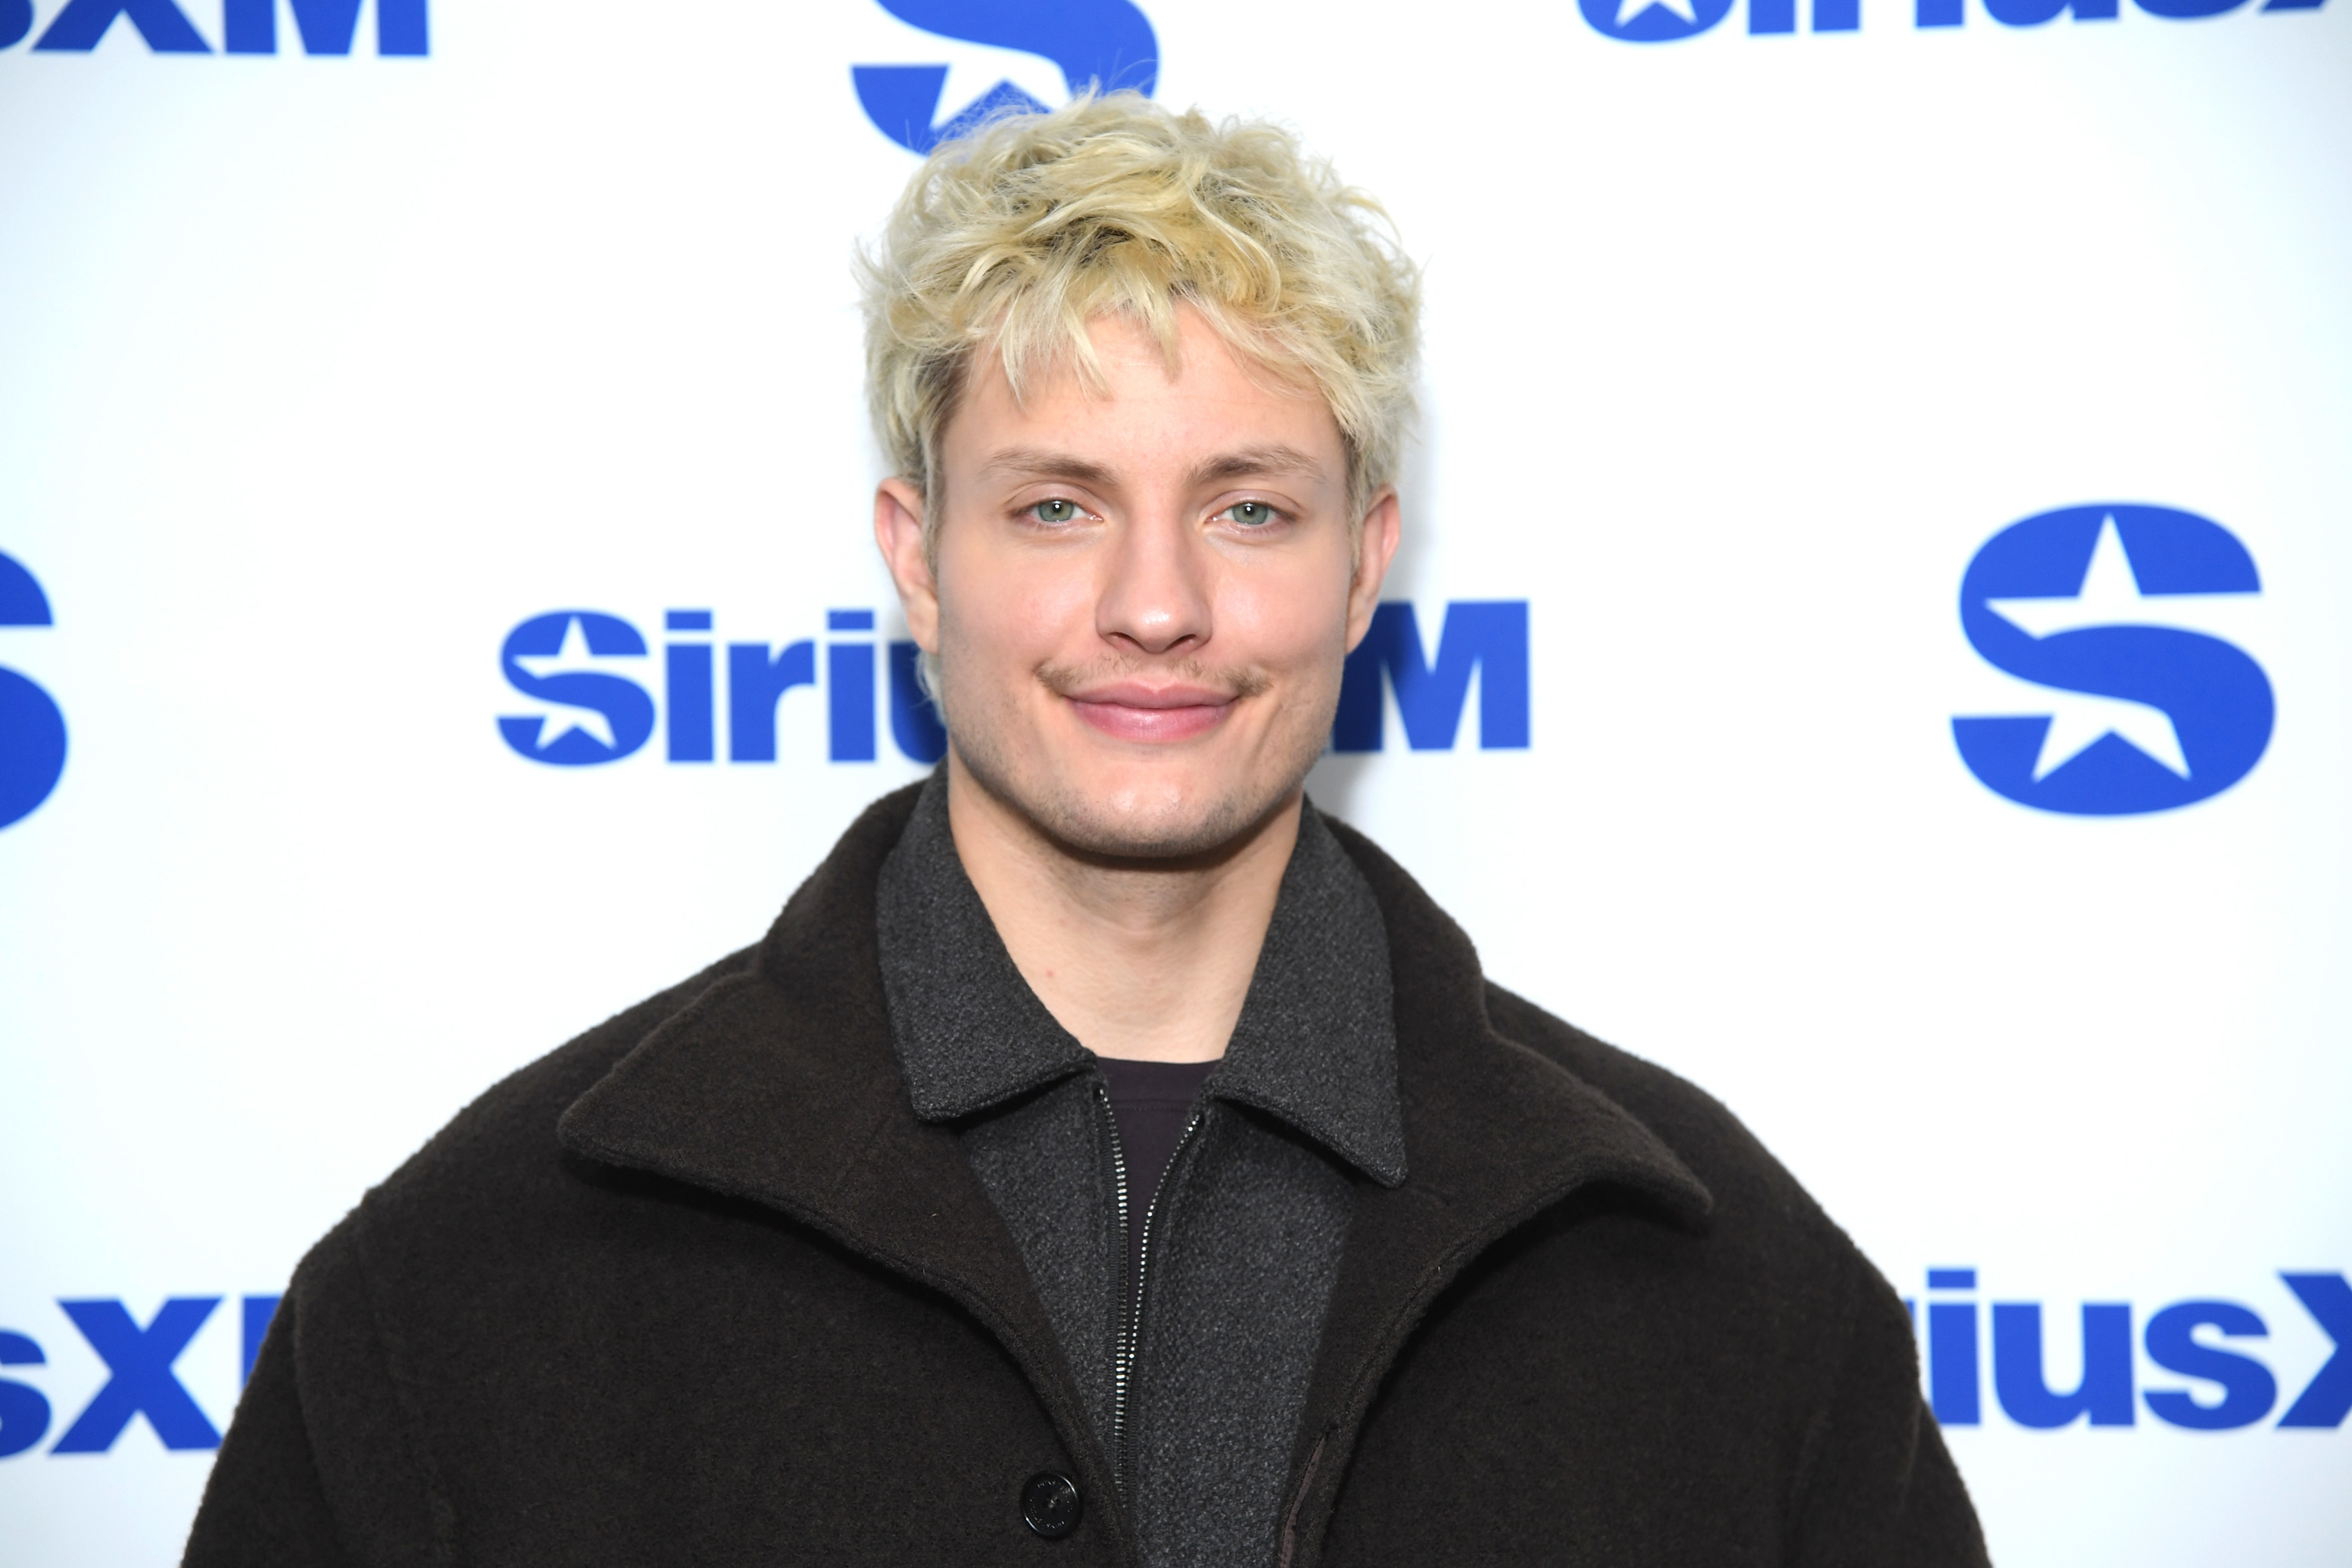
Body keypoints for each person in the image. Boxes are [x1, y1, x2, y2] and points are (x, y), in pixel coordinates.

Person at [185, 94, 1987, 1568]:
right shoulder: (475, 1282)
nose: (1155, 603)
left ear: (1365, 565)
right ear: (915, 556)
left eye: (1252, 508)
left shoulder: (1719, 1281)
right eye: (1056, 504)